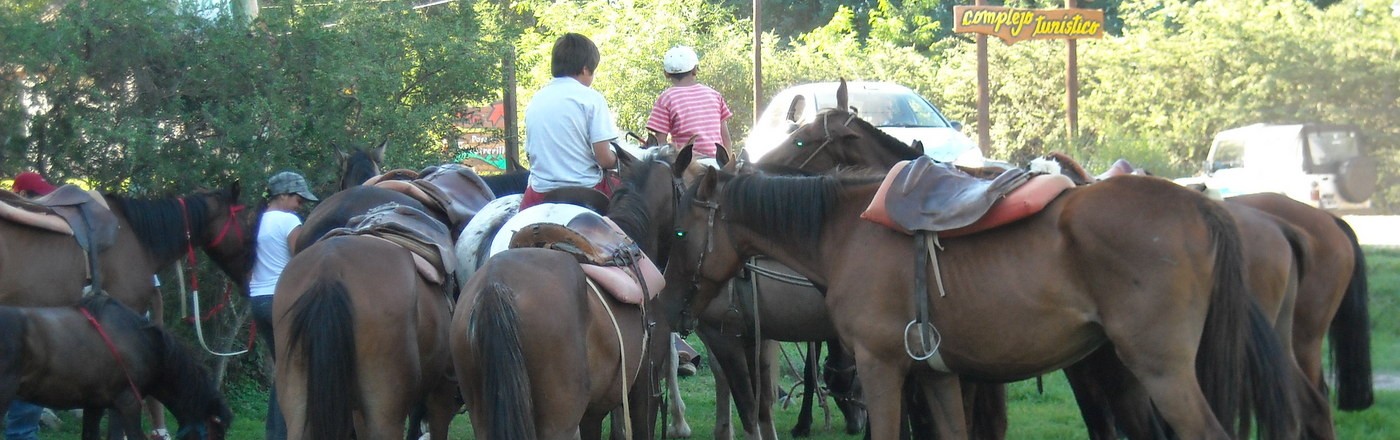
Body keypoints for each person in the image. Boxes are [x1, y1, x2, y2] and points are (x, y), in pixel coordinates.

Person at [249, 171, 318, 440]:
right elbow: (302, 259)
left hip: (259, 300)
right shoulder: (289, 221)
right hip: (284, 300)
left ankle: (274, 433)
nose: (300, 205)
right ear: (283, 196)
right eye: (298, 199)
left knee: (284, 369)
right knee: (296, 372)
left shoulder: (256, 221)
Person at [520, 32, 620, 211]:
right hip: (586, 190)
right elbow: (604, 159)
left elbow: (530, 155)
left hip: (540, 193)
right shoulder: (591, 99)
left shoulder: (536, 99)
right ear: (584, 69)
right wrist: (619, 160)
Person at [645, 45, 733, 158]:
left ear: (666, 74)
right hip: (717, 162)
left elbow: (660, 145)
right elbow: (726, 138)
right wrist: (729, 165)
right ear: (695, 70)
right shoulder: (714, 95)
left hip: (688, 167)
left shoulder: (666, 98)